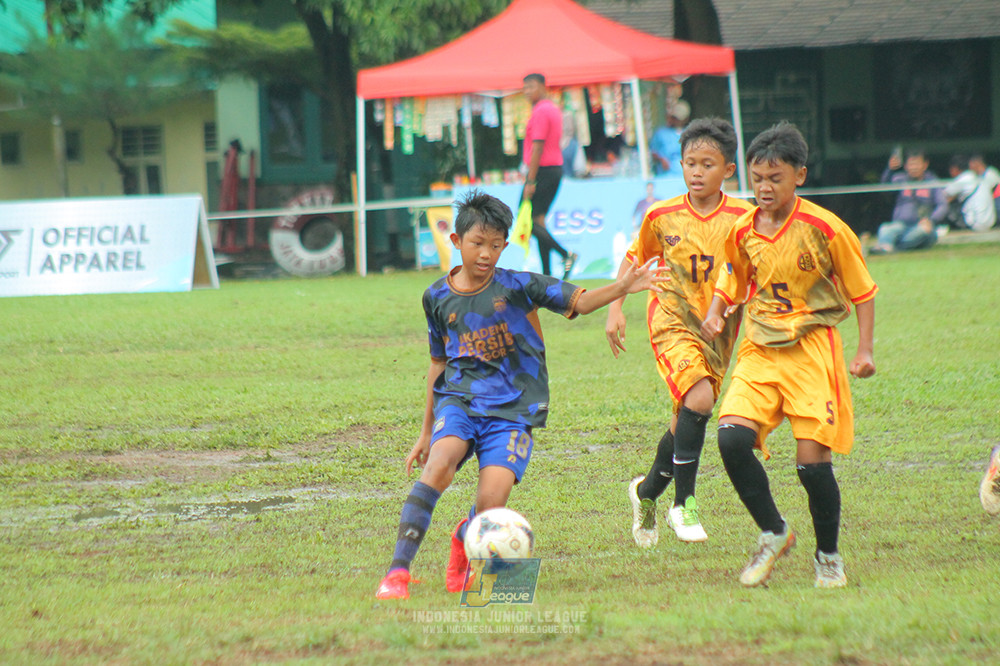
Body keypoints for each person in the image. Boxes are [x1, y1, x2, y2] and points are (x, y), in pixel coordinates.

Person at [375, 190, 667, 600]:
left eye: (496, 245)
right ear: (456, 242)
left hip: (513, 410)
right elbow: (437, 365)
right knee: (440, 462)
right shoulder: (436, 297)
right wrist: (426, 432)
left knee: (492, 503)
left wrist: (622, 287)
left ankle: (465, 536)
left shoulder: (518, 286)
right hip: (459, 401)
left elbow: (579, 303)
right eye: (477, 244)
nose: (486, 254)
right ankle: (397, 574)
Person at [700, 122, 877, 589]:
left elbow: (863, 291)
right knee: (731, 441)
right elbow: (732, 276)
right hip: (758, 348)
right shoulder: (742, 229)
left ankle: (828, 557)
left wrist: (863, 350)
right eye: (757, 177)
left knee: (811, 465)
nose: (763, 187)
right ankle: (775, 531)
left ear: (799, 175)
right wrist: (718, 312)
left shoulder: (825, 228)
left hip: (811, 349)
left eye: (774, 178)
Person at [607, 118, 754, 547]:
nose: (696, 171)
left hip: (719, 330)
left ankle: (646, 492)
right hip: (671, 318)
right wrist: (615, 309)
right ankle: (683, 506)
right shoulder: (661, 215)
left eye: (707, 164)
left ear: (728, 169)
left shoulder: (745, 217)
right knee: (701, 399)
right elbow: (634, 261)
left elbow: (756, 272)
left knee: (686, 418)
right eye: (689, 162)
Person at [521, 73, 577, 278]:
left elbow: (537, 147)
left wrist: (530, 180)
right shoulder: (553, 109)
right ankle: (547, 274)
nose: (527, 92)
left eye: (531, 87)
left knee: (526, 219)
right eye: (525, 88)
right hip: (554, 169)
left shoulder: (541, 111)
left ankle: (565, 254)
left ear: (543, 86)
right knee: (538, 220)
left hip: (542, 170)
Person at [871, 147, 948, 253]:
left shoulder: (932, 182)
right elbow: (885, 189)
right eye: (911, 164)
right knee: (885, 228)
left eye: (917, 164)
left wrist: (931, 220)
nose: (914, 167)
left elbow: (942, 205)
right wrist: (889, 170)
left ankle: (890, 248)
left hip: (921, 226)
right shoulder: (899, 179)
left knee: (922, 232)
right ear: (906, 166)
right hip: (900, 225)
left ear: (925, 165)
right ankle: (886, 247)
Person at [958, 155, 1000, 231]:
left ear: (978, 163)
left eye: (972, 164)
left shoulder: (991, 174)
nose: (970, 167)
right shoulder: (975, 176)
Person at [649, 100, 690, 176]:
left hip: (685, 175)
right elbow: (652, 151)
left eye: (678, 119)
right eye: (674, 118)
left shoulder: (690, 134)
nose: (676, 121)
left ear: (685, 119)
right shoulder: (661, 133)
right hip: (666, 175)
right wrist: (661, 159)